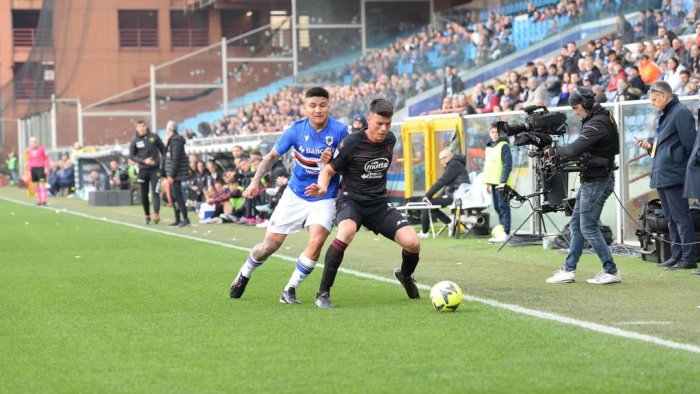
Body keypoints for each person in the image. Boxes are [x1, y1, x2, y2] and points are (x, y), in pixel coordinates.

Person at [228, 87, 349, 304]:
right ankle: (245, 272)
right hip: (295, 195)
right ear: (305, 108)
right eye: (312, 105)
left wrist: (333, 160)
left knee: (317, 240)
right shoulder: (295, 130)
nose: (318, 110)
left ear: (329, 106)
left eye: (322, 105)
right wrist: (255, 181)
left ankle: (290, 289)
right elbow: (272, 156)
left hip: (324, 197)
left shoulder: (341, 131)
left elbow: (348, 164)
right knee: (270, 246)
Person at [306, 98, 421, 308]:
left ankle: (405, 276)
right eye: (379, 124)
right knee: (346, 232)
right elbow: (328, 169)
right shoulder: (352, 142)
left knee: (413, 243)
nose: (383, 129)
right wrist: (322, 187)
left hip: (378, 204)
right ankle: (323, 293)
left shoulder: (391, 140)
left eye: (388, 124)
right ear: (369, 120)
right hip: (351, 201)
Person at [545, 87, 621, 285]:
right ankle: (568, 269)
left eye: (576, 107)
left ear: (586, 104)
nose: (574, 111)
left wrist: (554, 151)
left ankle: (611, 270)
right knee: (577, 225)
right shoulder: (599, 119)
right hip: (593, 180)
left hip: (597, 182)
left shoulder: (598, 123)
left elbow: (575, 148)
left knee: (587, 227)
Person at [634, 81, 697, 270]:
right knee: (671, 218)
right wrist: (650, 147)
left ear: (663, 96)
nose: (652, 103)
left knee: (681, 217)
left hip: (674, 175)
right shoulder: (668, 114)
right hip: (664, 174)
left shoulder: (681, 113)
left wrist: (683, 170)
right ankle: (676, 255)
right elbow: (667, 146)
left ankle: (688, 258)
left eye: (654, 99)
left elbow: (691, 146)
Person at [417, 149, 470, 238]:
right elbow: (447, 184)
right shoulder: (455, 164)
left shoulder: (454, 165)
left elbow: (441, 182)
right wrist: (438, 197)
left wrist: (427, 195)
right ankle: (450, 222)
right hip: (456, 194)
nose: (442, 161)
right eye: (440, 159)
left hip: (456, 197)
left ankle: (425, 232)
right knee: (431, 203)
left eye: (443, 158)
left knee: (426, 203)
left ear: (449, 156)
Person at [129, 120, 165, 225]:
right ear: (137, 128)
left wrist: (161, 163)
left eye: (143, 126)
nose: (141, 128)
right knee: (144, 194)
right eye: (139, 127)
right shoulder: (134, 140)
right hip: (143, 170)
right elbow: (132, 156)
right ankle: (147, 215)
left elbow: (163, 149)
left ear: (146, 126)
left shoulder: (154, 136)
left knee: (155, 192)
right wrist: (143, 161)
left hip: (155, 169)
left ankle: (156, 215)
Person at [484, 123, 515, 243]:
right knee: (498, 207)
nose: (494, 134)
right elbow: (488, 166)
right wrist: (486, 183)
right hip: (492, 182)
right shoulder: (489, 146)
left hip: (502, 183)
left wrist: (503, 182)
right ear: (489, 133)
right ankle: (503, 232)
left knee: (504, 207)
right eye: (492, 132)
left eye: (496, 132)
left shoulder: (504, 146)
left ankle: (506, 232)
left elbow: (507, 165)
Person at [162, 121, 191, 228]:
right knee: (174, 197)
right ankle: (178, 219)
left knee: (178, 197)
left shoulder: (176, 141)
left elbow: (176, 159)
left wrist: (172, 175)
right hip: (173, 173)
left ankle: (185, 219)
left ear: (170, 129)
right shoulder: (172, 140)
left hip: (176, 174)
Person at [26, 137, 51, 206]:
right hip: (33, 169)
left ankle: (44, 200)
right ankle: (39, 200)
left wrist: (46, 167)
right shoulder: (29, 150)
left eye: (35, 141)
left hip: (40, 168)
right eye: (32, 142)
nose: (33, 143)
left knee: (42, 183)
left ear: (37, 142)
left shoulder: (42, 149)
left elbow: (46, 158)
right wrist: (28, 169)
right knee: (36, 185)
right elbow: (29, 160)